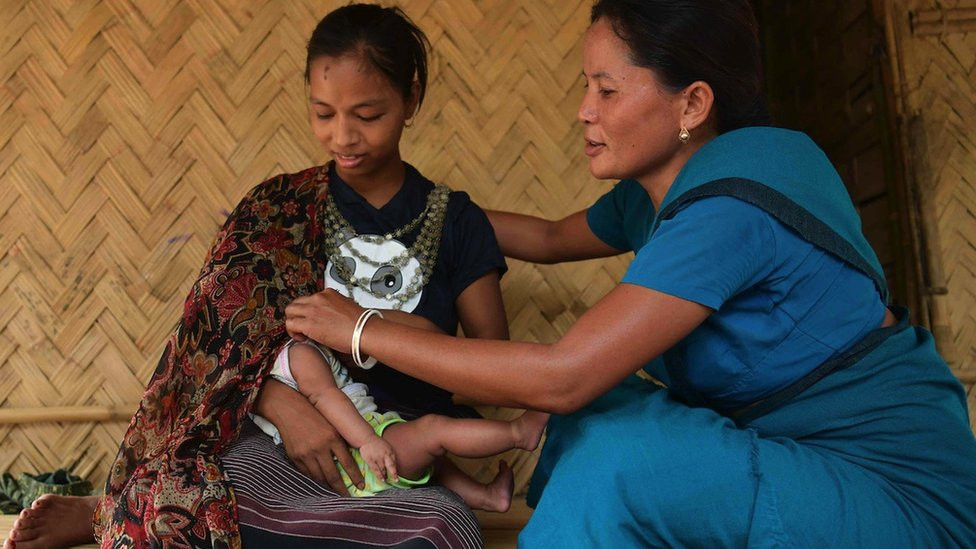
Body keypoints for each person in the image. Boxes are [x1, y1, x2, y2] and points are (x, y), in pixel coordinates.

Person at [283, 0, 976, 547]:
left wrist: (362, 326)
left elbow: (564, 373)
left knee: (616, 455)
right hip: (787, 455)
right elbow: (551, 238)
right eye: (586, 85)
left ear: (692, 104)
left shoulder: (736, 200)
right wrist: (413, 209)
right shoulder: (660, 189)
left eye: (608, 90)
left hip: (892, 494)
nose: (584, 109)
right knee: (590, 421)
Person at [3, 4, 516, 548]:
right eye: (323, 113)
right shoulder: (274, 210)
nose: (343, 136)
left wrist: (368, 327)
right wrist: (284, 403)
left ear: (410, 99)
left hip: (399, 456)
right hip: (273, 436)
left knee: (442, 526)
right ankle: (122, 505)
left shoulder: (456, 220)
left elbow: (491, 369)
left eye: (367, 115)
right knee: (190, 496)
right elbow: (211, 356)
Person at [251, 339, 548, 509]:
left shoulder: (249, 389)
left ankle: (488, 497)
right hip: (359, 451)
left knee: (435, 467)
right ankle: (519, 433)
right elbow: (324, 395)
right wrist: (368, 441)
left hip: (345, 477)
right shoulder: (297, 352)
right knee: (434, 432)